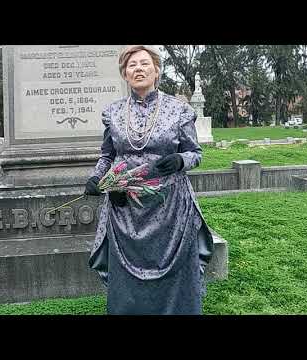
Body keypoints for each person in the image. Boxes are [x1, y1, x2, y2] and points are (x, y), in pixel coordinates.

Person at [85, 45, 214, 315]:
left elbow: (194, 153)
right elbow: (107, 156)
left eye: (145, 64)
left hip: (171, 208)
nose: (139, 69)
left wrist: (181, 160)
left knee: (175, 280)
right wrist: (97, 177)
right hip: (126, 209)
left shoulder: (179, 110)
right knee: (128, 285)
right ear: (125, 74)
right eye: (132, 65)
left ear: (156, 71)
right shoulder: (114, 112)